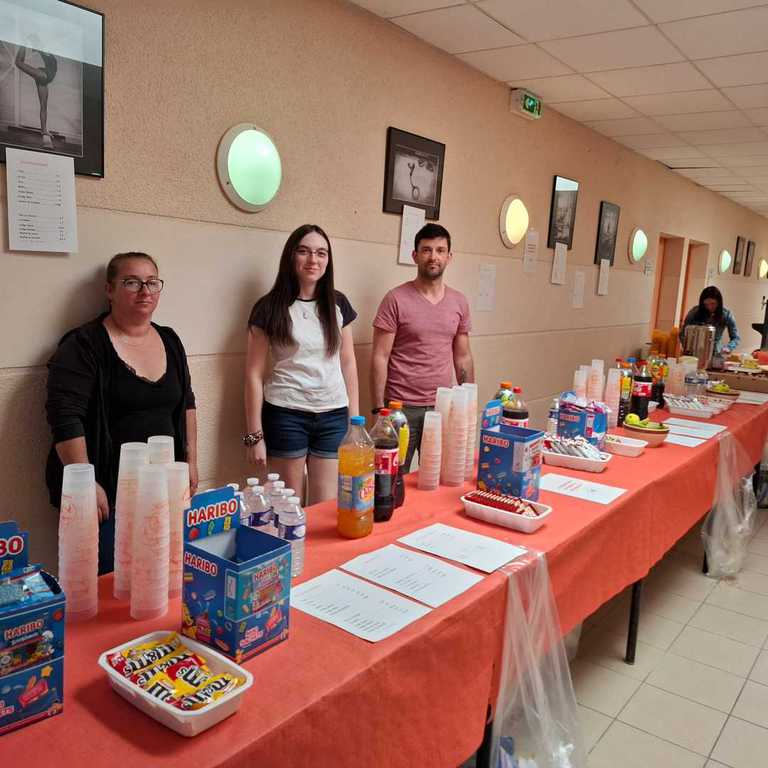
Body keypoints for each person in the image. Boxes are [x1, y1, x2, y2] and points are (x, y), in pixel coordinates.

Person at [45, 252, 198, 575]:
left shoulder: (170, 340)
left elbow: (187, 404)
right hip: (106, 494)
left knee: (163, 576)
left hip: (163, 489)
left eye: (152, 282)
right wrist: (85, 483)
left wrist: (191, 462)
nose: (145, 291)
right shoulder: (83, 345)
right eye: (131, 282)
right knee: (113, 583)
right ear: (109, 290)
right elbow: (65, 418)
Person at [245, 224, 359, 504]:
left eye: (321, 253)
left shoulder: (338, 303)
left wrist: (355, 424)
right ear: (291, 256)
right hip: (286, 414)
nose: (313, 260)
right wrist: (254, 436)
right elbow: (253, 374)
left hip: (333, 415)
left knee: (325, 507)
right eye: (304, 251)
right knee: (288, 505)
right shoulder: (268, 307)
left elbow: (348, 363)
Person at [370, 222, 474, 472]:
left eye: (440, 250)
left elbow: (463, 357)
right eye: (426, 250)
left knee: (438, 478)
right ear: (415, 255)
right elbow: (380, 357)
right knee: (392, 479)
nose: (433, 257)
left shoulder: (459, 302)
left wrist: (468, 406)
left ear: (449, 257)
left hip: (442, 407)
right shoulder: (395, 299)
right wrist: (378, 409)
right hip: (399, 409)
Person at [15, 43, 58, 148]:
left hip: (44, 75)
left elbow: (39, 44)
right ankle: (44, 130)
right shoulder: (47, 54)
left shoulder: (46, 51)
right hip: (45, 78)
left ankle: (22, 43)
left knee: (18, 62)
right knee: (43, 107)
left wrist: (28, 40)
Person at [681, 286, 741, 357]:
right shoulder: (694, 312)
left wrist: (728, 347)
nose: (709, 307)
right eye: (706, 304)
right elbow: (683, 333)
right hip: (694, 353)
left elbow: (736, 338)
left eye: (713, 304)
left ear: (719, 302)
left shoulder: (726, 315)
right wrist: (687, 347)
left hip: (715, 354)